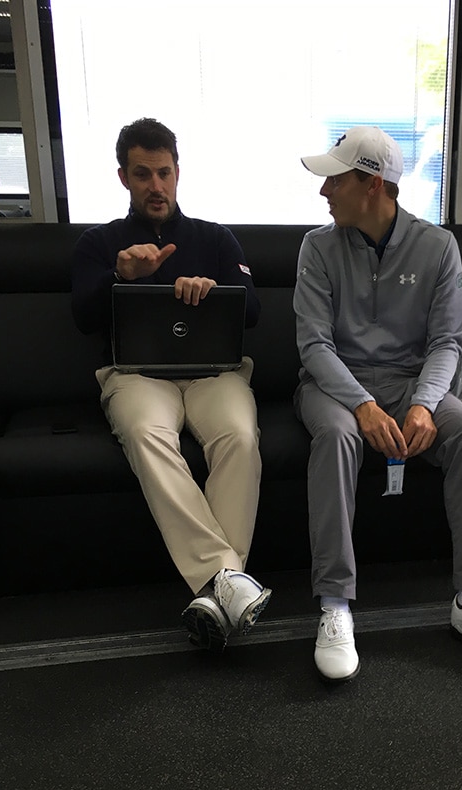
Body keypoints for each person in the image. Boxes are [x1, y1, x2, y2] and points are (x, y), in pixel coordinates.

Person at [294, 126, 462, 681]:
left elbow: (446, 342)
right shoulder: (317, 246)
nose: (324, 191)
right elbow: (315, 346)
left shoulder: (438, 246)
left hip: (410, 381)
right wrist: (362, 405)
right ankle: (335, 604)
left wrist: (424, 404)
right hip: (334, 384)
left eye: (334, 180)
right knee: (338, 435)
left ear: (372, 184)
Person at [72, 118, 271, 651]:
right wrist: (120, 277)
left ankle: (216, 591)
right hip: (137, 376)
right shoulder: (100, 244)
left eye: (164, 173)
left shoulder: (214, 237)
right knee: (145, 434)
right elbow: (84, 317)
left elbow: (252, 310)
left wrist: (215, 288)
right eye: (143, 174)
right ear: (124, 177)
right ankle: (227, 579)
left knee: (240, 436)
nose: (156, 185)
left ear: (178, 172)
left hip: (213, 374)